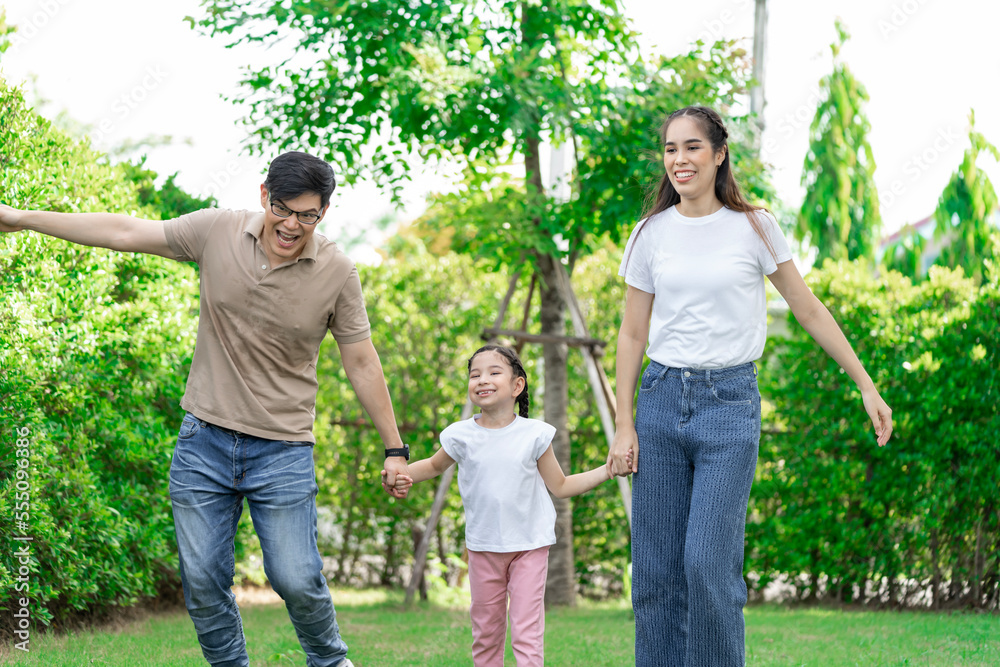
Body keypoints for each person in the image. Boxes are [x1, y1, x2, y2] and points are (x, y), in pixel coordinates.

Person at [0, 151, 411, 667]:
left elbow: (362, 361)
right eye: (284, 209)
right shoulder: (217, 231)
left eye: (308, 215)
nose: (292, 225)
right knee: (201, 581)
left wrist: (395, 448)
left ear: (324, 212)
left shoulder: (337, 271)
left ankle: (330, 660)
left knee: (296, 576)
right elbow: (125, 231)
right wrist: (18, 219)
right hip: (205, 441)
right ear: (265, 195)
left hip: (281, 449)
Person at [606, 106, 893, 667]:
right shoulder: (649, 234)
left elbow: (806, 308)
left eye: (692, 147)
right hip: (660, 403)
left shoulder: (755, 226)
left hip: (729, 406)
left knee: (708, 564)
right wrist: (623, 423)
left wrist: (865, 384)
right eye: (670, 149)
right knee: (656, 572)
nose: (679, 160)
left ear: (718, 155)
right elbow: (632, 333)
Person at [382, 344, 626, 667]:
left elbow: (561, 485)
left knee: (526, 634)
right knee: (486, 634)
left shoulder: (535, 435)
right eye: (474, 374)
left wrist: (607, 471)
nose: (482, 379)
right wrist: (400, 473)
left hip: (529, 546)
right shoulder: (460, 435)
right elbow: (432, 466)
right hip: (483, 548)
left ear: (517, 386)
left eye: (493, 372)